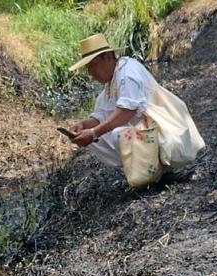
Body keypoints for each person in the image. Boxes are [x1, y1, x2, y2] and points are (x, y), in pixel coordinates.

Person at [64, 34, 202, 172]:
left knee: (117, 135)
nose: (91, 72)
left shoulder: (127, 73)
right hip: (148, 135)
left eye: (93, 66)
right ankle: (148, 171)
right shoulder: (111, 83)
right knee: (93, 139)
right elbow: (101, 117)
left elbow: (126, 111)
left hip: (165, 133)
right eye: (88, 68)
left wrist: (93, 133)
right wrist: (83, 125)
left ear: (108, 57)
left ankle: (158, 171)